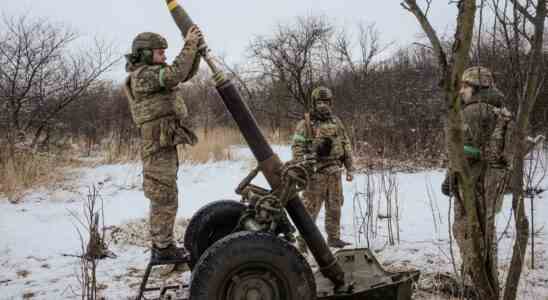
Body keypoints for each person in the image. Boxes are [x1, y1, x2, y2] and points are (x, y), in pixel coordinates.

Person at [123, 26, 202, 262]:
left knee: (167, 193)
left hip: (164, 142)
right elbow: (174, 74)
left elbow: (184, 73)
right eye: (160, 52)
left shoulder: (153, 72)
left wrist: (195, 50)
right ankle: (162, 247)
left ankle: (163, 244)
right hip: (156, 146)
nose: (164, 56)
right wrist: (189, 44)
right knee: (163, 195)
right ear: (145, 54)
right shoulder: (143, 75)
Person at [443, 66, 512, 290]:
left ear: (477, 87)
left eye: (465, 86)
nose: (461, 91)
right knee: (485, 233)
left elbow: (463, 150)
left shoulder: (473, 112)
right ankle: (486, 284)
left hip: (474, 182)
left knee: (467, 232)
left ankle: (475, 286)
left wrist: (451, 174)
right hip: (491, 184)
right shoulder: (500, 111)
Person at [292, 86, 355, 249]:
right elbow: (297, 147)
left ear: (331, 102)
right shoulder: (305, 123)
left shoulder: (336, 122)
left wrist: (350, 167)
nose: (323, 105)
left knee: (335, 207)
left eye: (326, 101)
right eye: (319, 102)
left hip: (334, 172)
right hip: (315, 174)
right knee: (310, 210)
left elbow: (345, 144)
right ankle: (302, 243)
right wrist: (303, 163)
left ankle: (334, 238)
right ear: (314, 103)